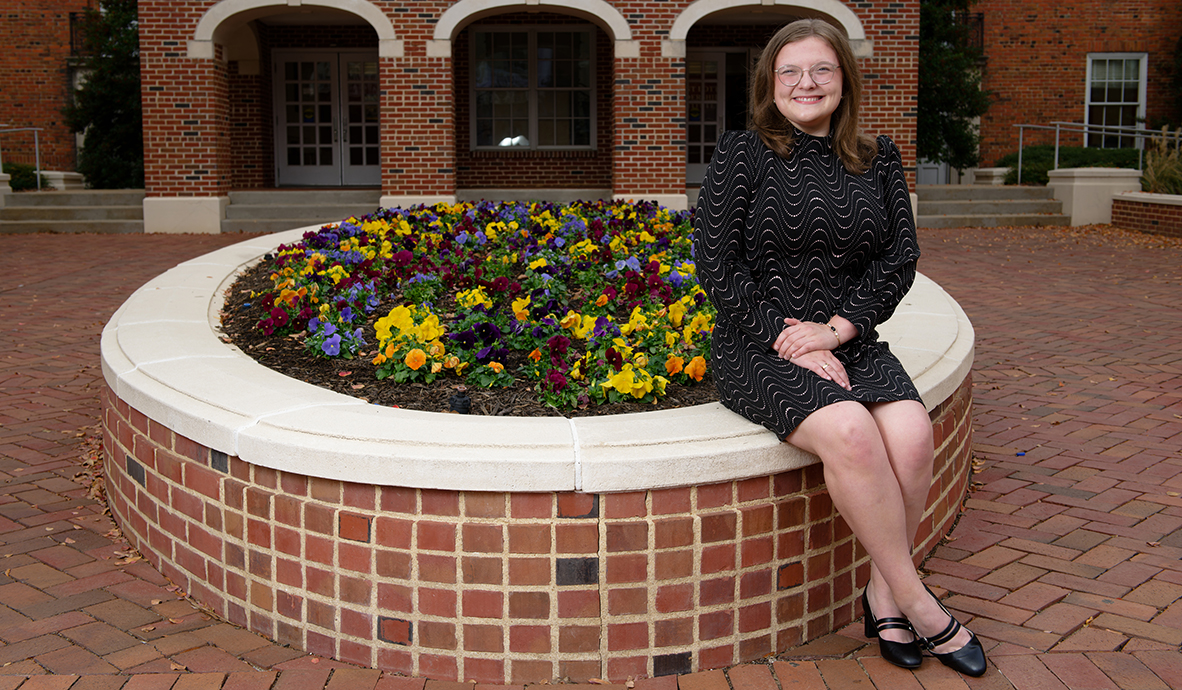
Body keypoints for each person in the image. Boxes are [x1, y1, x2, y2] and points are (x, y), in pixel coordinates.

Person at [691, 18, 987, 677]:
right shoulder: (743, 153)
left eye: (820, 69)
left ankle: (882, 592)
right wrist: (786, 336)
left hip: (848, 337)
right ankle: (919, 602)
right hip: (758, 343)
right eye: (789, 71)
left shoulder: (876, 155)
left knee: (911, 434)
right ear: (771, 84)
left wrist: (837, 330)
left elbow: (898, 258)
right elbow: (715, 262)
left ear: (844, 79)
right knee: (852, 431)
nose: (805, 83)